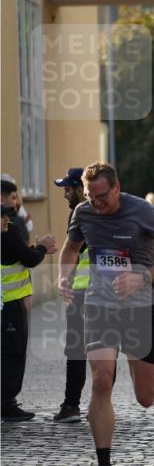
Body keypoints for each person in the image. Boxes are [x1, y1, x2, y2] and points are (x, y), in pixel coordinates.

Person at [58, 162, 154, 466]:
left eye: (101, 196)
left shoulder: (143, 211)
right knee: (101, 380)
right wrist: (63, 277)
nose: (95, 203)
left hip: (140, 307)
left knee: (145, 397)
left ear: (116, 188)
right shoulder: (83, 213)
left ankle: (131, 356)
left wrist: (142, 277)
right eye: (90, 196)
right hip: (99, 305)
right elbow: (71, 248)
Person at [1, 179, 57, 421]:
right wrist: (41, 248)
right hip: (9, 304)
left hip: (8, 302)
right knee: (13, 354)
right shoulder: (9, 230)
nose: (16, 204)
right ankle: (6, 404)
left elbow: (17, 254)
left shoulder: (9, 229)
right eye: (13, 198)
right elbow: (29, 259)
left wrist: (35, 248)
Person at [53, 168, 90, 423]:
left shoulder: (81, 213)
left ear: (79, 189)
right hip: (101, 292)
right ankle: (99, 403)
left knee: (77, 349)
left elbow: (73, 251)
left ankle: (71, 405)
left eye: (68, 189)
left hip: (82, 291)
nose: (65, 195)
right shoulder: (104, 211)